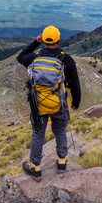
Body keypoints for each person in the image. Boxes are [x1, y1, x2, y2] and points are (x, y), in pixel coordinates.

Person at [17, 25, 81, 181]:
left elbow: (20, 57)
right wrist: (76, 103)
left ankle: (36, 167)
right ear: (59, 40)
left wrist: (34, 43)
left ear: (43, 39)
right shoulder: (66, 60)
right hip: (59, 104)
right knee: (60, 131)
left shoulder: (34, 57)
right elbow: (75, 84)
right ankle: (61, 162)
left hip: (38, 105)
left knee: (38, 134)